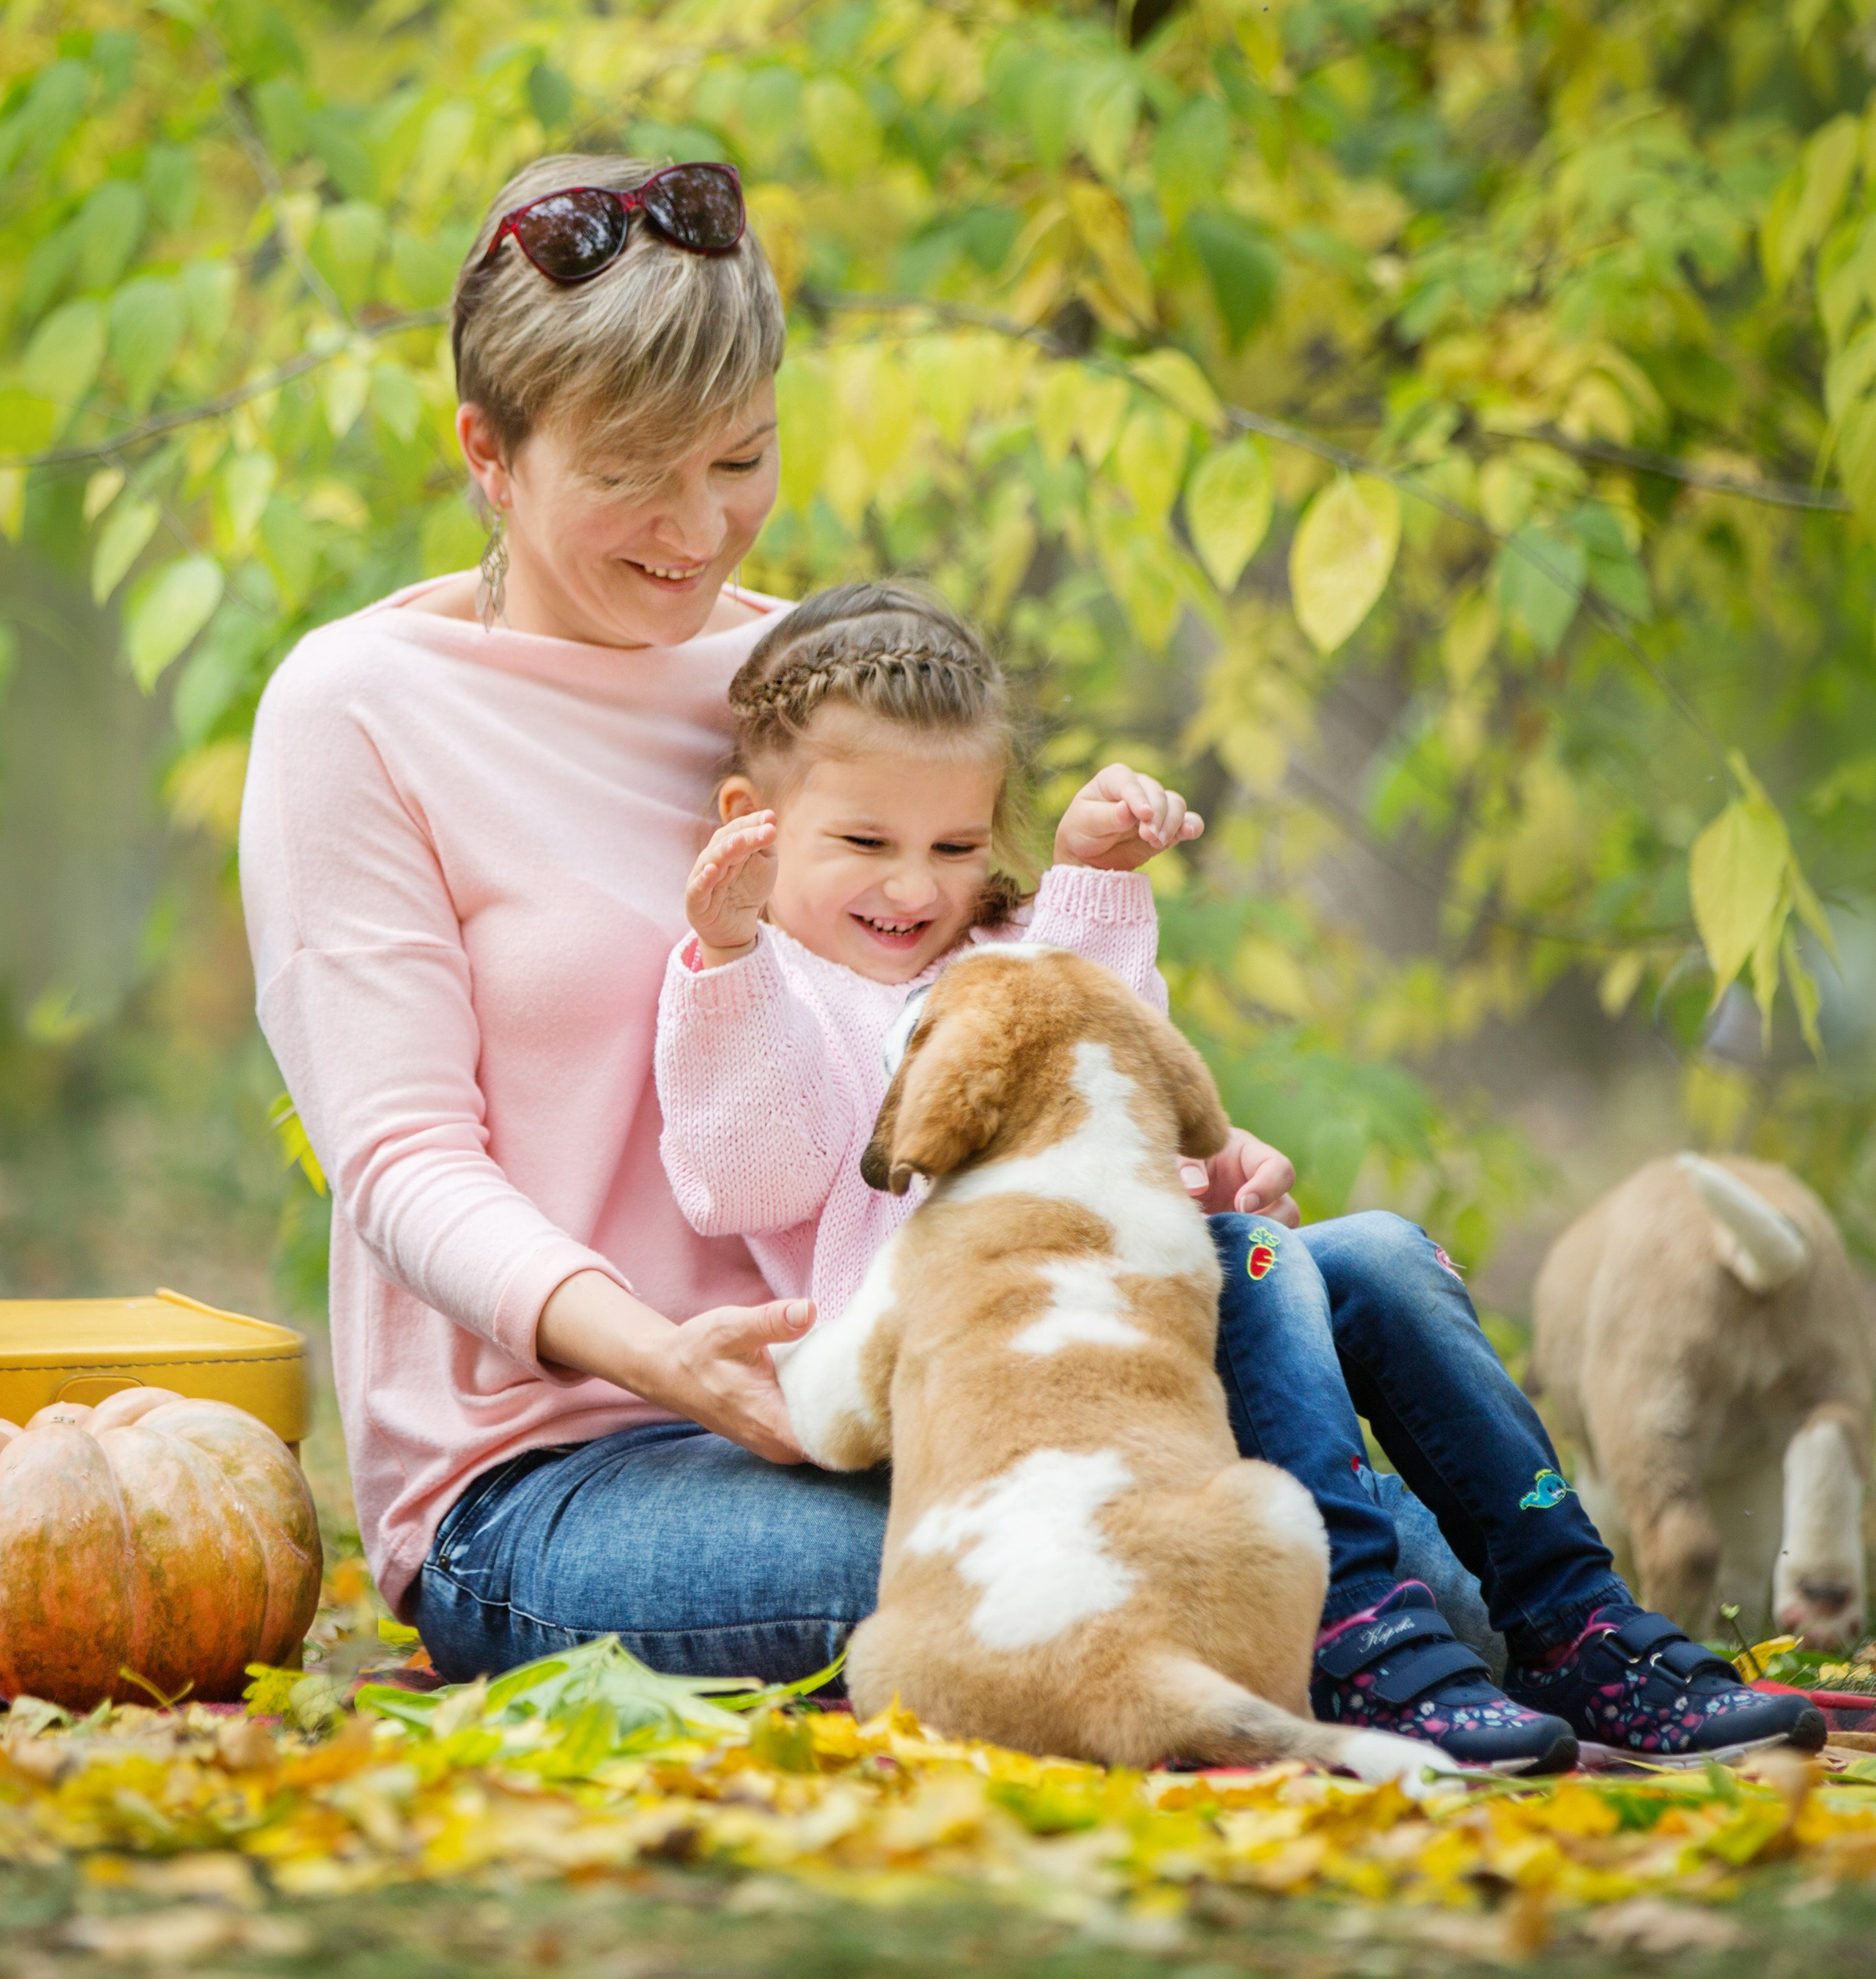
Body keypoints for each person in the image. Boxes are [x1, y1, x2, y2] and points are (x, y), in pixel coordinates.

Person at [238, 150, 1823, 1772]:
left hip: (938, 1366)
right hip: (568, 1473)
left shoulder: (809, 678)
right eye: (633, 474)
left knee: (1359, 1385)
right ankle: (1393, 1646)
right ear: (488, 452)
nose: (696, 528)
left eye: (739, 459)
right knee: (1209, 1570)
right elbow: (402, 1161)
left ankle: (1572, 1637)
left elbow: (964, 989)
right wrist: (655, 1352)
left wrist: (1158, 1145)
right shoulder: (360, 710)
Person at [655, 583, 1826, 1772]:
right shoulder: (765, 987)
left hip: (1127, 1332)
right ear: (755, 823)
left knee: (1379, 1253)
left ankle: (1581, 1619)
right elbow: (750, 1177)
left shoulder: (1012, 951)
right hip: (986, 1380)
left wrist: (1099, 894)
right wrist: (733, 951)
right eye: (866, 845)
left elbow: (1113, 1080)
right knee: (1261, 1260)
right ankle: (1361, 1639)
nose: (916, 888)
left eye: (956, 847)